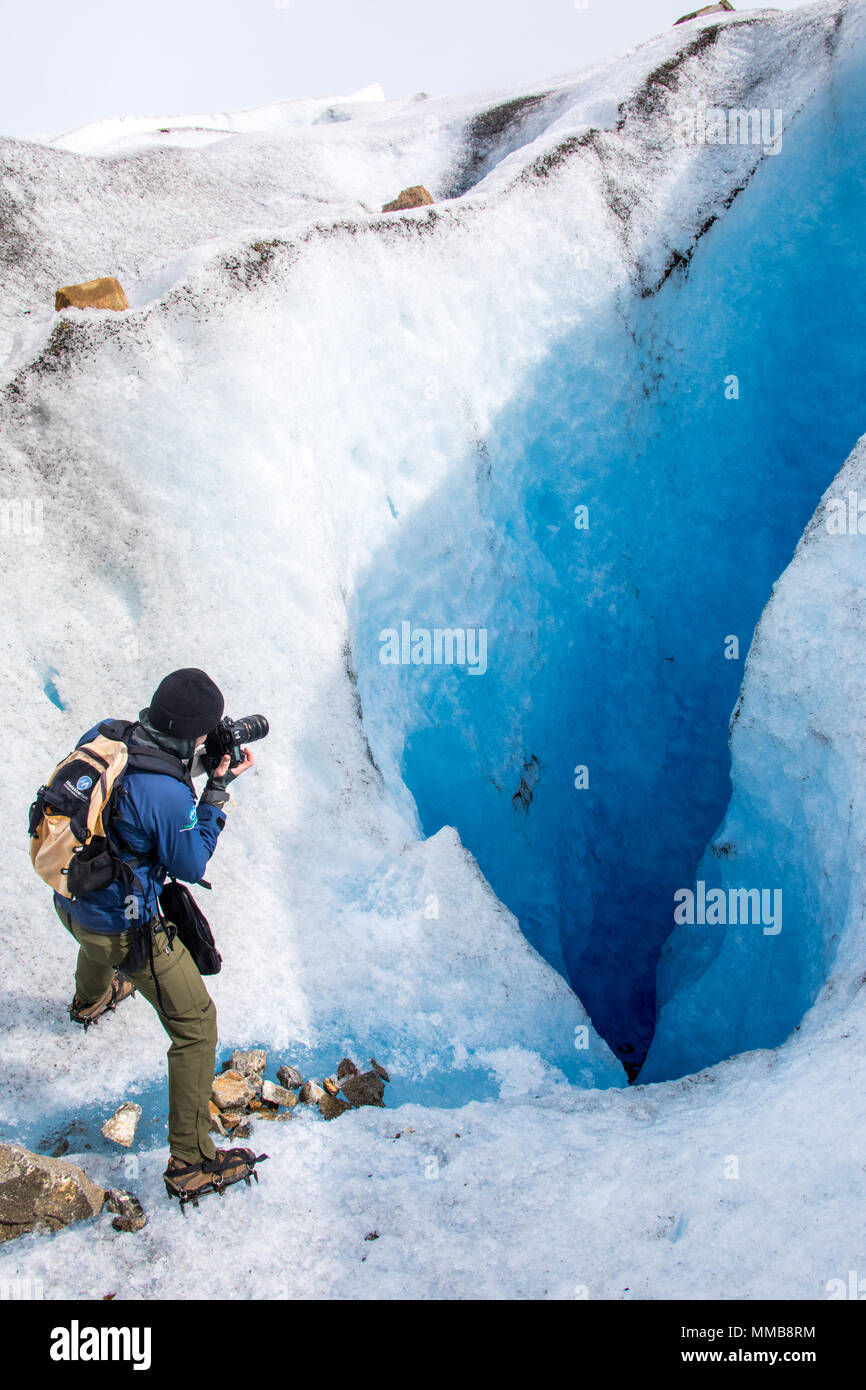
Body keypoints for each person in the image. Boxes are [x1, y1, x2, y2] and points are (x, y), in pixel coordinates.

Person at [53, 667, 264, 1205]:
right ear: (195, 734)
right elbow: (190, 861)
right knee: (196, 1024)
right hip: (125, 928)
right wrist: (214, 792)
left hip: (71, 899)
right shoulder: (166, 796)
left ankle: (91, 998)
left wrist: (186, 765)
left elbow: (129, 803)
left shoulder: (110, 734)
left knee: (98, 936)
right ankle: (191, 1162)